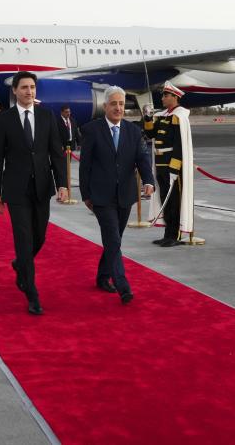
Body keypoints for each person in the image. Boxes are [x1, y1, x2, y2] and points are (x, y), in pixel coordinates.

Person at [0, 72, 68, 315]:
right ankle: (31, 293)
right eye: (24, 87)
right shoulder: (4, 120)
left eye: (32, 87)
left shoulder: (46, 115)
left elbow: (55, 153)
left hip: (42, 187)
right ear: (15, 90)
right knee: (23, 239)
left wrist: (62, 184)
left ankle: (19, 264)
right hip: (16, 189)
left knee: (40, 237)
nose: (29, 92)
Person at [79, 86, 155, 303]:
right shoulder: (92, 130)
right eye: (114, 104)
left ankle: (102, 276)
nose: (118, 108)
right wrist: (86, 195)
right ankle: (122, 285)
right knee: (112, 239)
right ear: (105, 107)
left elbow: (141, 158)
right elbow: (85, 167)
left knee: (115, 239)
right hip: (101, 197)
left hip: (125, 195)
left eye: (121, 104)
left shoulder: (132, 131)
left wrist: (149, 180)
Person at [143, 82, 194, 247]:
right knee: (165, 199)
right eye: (163, 95)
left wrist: (174, 167)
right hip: (160, 163)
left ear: (175, 97)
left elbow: (179, 144)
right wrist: (148, 118)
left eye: (166, 95)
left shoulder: (179, 116)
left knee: (174, 202)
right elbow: (150, 134)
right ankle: (167, 234)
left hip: (172, 166)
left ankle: (175, 235)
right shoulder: (163, 115)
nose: (163, 98)